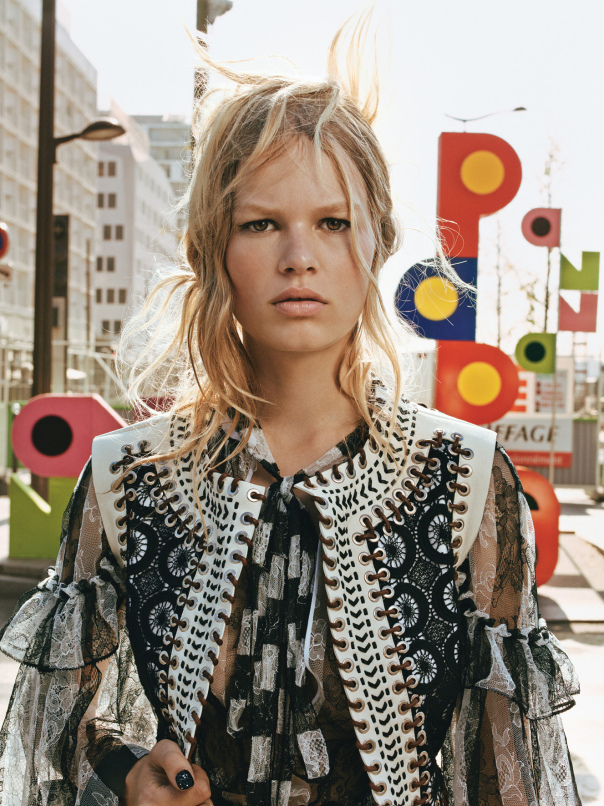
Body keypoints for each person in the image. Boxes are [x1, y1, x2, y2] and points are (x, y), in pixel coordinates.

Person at [0, 14, 580, 806]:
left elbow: (509, 777)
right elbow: (52, 732)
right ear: (213, 246)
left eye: (332, 222)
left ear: (377, 242)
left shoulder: (469, 478)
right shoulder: (126, 475)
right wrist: (130, 775)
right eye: (261, 223)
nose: (299, 256)